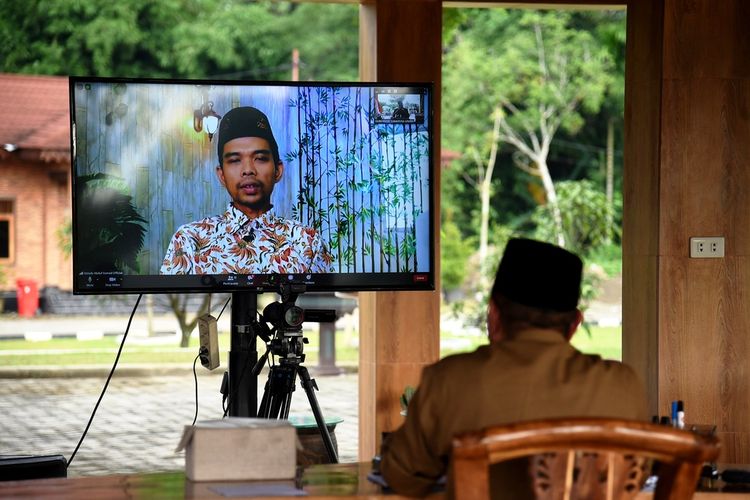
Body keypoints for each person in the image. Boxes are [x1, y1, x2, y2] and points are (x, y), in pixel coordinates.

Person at [379, 238, 649, 498]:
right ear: (575, 323)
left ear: (494, 314)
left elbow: (404, 477)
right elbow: (636, 475)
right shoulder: (623, 384)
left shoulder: (451, 379)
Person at [160, 106, 334, 275]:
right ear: (222, 175)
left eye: (260, 158)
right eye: (235, 160)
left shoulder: (307, 241)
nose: (248, 170)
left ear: (278, 170)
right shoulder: (189, 240)